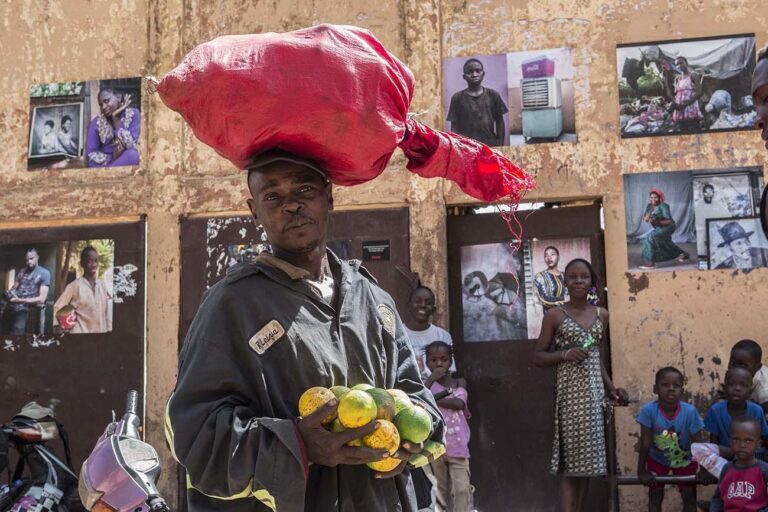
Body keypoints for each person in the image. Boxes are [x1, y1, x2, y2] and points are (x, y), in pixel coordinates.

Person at [166, 151, 446, 511]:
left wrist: (410, 440)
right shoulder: (231, 305)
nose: (292, 206)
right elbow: (193, 433)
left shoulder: (372, 298)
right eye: (273, 196)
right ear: (254, 210)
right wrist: (298, 444)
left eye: (304, 189)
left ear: (329, 195)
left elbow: (416, 398)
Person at [533, 258, 628, 512]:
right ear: (565, 281)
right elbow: (538, 356)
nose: (578, 281)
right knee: (570, 469)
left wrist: (611, 388)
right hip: (570, 399)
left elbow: (598, 358)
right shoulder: (554, 315)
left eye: (583, 277)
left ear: (592, 282)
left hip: (594, 399)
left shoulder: (602, 315)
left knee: (587, 469)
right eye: (573, 277)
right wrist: (564, 354)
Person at [636, 367, 705, 512]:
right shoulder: (648, 411)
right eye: (665, 385)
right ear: (655, 389)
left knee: (689, 497)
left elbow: (698, 444)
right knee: (655, 497)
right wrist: (641, 471)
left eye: (676, 385)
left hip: (684, 458)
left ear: (682, 389)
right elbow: (645, 443)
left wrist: (705, 470)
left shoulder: (689, 412)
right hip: (657, 459)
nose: (671, 389)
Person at [424, 342, 472, 512]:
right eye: (433, 360)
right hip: (436, 446)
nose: (438, 364)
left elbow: (459, 403)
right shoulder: (426, 384)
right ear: (426, 362)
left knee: (461, 489)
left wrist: (433, 399)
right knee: (440, 491)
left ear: (451, 361)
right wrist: (430, 380)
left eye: (443, 359)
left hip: (458, 446)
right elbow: (419, 399)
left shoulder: (458, 382)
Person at [709, 416, 768, 511]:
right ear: (730, 442)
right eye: (736, 440)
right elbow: (718, 499)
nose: (742, 445)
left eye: (748, 440)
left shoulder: (764, 470)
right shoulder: (727, 469)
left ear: (758, 444)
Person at [446, 58, 508, 147]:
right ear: (464, 76)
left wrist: (500, 145)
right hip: (468, 147)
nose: (474, 74)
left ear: (483, 74)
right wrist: (457, 147)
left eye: (478, 71)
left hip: (490, 145)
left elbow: (500, 122)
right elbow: (454, 127)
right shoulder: (457, 98)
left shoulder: (493, 95)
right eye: (470, 72)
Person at [704, 367, 768, 451]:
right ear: (725, 387)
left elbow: (762, 438)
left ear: (750, 391)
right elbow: (714, 441)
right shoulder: (716, 410)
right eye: (731, 384)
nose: (737, 388)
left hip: (750, 456)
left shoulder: (756, 411)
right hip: (724, 456)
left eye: (743, 385)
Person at [52, 246, 113, 334]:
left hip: (101, 337)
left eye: (96, 260)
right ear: (82, 263)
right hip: (80, 337)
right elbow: (56, 309)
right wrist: (65, 325)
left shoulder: (102, 285)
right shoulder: (73, 286)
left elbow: (107, 312)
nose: (94, 264)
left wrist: (109, 331)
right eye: (89, 261)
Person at [403, 285, 453, 376]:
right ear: (409, 306)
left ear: (433, 310)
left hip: (436, 388)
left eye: (428, 303)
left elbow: (448, 373)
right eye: (418, 301)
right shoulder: (398, 333)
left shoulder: (442, 336)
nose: (423, 305)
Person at [85, 88, 140, 167]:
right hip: (105, 164)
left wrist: (116, 119)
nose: (103, 107)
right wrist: (112, 158)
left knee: (133, 155)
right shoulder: (96, 123)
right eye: (101, 105)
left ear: (118, 97)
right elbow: (91, 153)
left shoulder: (133, 114)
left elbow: (132, 145)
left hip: (127, 159)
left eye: (106, 101)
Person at [638, 188, 690, 270]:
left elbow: (669, 221)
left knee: (650, 237)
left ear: (660, 198)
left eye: (655, 197)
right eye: (651, 197)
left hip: (668, 227)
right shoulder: (649, 206)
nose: (653, 199)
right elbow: (645, 216)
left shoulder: (664, 206)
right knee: (666, 243)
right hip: (658, 227)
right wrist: (646, 218)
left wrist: (656, 220)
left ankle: (651, 263)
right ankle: (684, 254)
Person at [2, 249, 51, 335]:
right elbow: (14, 287)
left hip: (25, 309)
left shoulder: (44, 273)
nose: (29, 261)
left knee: (17, 334)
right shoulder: (22, 271)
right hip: (11, 306)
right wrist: (9, 292)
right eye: (27, 260)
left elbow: (42, 299)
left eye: (31, 258)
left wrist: (19, 300)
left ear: (37, 258)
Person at [728, 339, 768, 414]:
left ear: (758, 367)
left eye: (744, 365)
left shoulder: (765, 391)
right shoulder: (731, 377)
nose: (738, 369)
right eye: (733, 363)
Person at [669, 56, 703, 133]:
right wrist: (675, 105)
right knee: (683, 131)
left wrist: (685, 104)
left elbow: (699, 92)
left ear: (686, 63)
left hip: (691, 108)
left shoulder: (693, 75)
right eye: (677, 64)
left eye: (681, 63)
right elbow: (676, 95)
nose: (680, 65)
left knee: (695, 130)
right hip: (680, 109)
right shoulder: (677, 79)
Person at [533, 245, 567, 311]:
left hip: (567, 317)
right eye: (546, 255)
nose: (549, 258)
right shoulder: (540, 276)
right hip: (550, 317)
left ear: (558, 257)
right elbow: (544, 299)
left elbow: (572, 295)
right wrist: (565, 299)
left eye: (552, 254)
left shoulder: (565, 276)